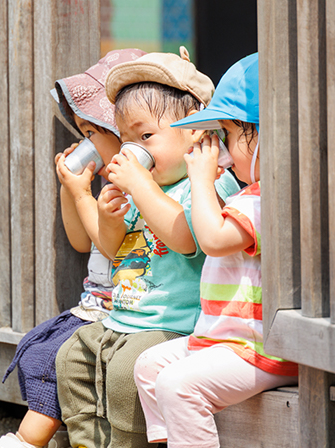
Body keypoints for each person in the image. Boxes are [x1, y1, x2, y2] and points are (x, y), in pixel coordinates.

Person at [55, 47, 241, 448]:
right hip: (124, 316)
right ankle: (89, 441)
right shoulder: (144, 187)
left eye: (145, 137)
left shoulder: (206, 182)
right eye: (124, 139)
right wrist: (108, 216)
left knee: (126, 373)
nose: (130, 149)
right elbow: (111, 247)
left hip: (173, 325)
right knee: (71, 358)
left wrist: (140, 185)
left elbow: (187, 238)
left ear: (195, 132)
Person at [132, 53, 298, 448]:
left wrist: (201, 179)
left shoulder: (265, 199)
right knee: (148, 365)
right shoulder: (246, 194)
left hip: (258, 349)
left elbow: (213, 240)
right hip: (225, 342)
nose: (219, 146)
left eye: (226, 134)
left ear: (260, 133)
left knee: (176, 384)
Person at [0, 48, 147, 448]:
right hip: (95, 304)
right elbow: (81, 241)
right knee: (44, 350)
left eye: (92, 132)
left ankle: (27, 442)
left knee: (52, 360)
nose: (86, 143)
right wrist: (72, 191)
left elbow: (116, 250)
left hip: (121, 312)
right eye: (82, 132)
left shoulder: (142, 191)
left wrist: (83, 197)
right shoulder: (109, 187)